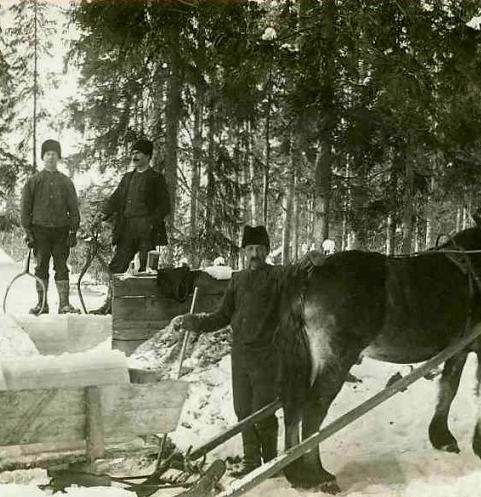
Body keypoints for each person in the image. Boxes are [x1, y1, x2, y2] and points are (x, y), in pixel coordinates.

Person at [170, 225, 320, 477]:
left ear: (267, 251)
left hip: (267, 356)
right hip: (240, 356)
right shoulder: (238, 279)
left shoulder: (276, 276)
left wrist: (310, 259)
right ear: (244, 252)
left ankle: (271, 464)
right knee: (242, 410)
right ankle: (251, 461)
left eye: (259, 249)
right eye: (250, 249)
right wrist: (192, 321)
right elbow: (222, 316)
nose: (254, 254)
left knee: (262, 410)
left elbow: (295, 271)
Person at [96, 139, 171, 314]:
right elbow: (115, 198)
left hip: (147, 229)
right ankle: (111, 305)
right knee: (117, 266)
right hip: (127, 228)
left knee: (146, 270)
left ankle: (143, 309)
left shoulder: (156, 178)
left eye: (138, 153)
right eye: (133, 152)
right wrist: (104, 212)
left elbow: (164, 205)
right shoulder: (127, 177)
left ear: (148, 156)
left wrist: (151, 223)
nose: (134, 156)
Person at [21, 139, 81, 315]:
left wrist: (73, 231)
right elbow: (25, 209)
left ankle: (64, 304)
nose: (51, 157)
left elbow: (73, 208)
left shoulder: (66, 182)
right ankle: (42, 304)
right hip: (40, 232)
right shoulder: (33, 182)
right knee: (41, 267)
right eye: (48, 153)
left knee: (61, 266)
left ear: (59, 157)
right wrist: (28, 232)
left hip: (61, 232)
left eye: (54, 154)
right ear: (43, 157)